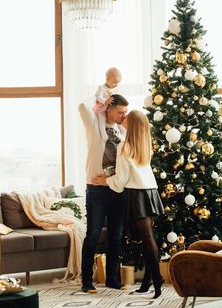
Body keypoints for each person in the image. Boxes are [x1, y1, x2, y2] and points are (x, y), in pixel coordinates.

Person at [92, 110, 165, 299]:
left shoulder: (125, 145)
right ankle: (149, 279)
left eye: (126, 117)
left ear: (131, 124)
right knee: (149, 238)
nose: (123, 119)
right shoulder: (144, 144)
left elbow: (122, 179)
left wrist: (105, 181)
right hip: (150, 191)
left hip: (137, 194)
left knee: (147, 238)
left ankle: (156, 280)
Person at [79, 94, 129, 294]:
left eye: (125, 112)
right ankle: (86, 281)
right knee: (92, 235)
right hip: (97, 190)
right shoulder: (94, 126)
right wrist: (100, 103)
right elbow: (82, 105)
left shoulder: (122, 131)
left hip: (116, 188)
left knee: (116, 235)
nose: (123, 115)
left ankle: (112, 279)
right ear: (109, 109)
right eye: (120, 112)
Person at [93, 67, 122, 141]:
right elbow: (97, 97)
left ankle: (121, 128)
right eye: (115, 82)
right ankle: (103, 133)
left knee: (119, 114)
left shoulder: (115, 87)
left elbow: (117, 95)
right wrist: (105, 101)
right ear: (107, 80)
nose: (116, 84)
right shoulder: (101, 88)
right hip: (102, 106)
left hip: (111, 107)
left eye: (118, 82)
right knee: (102, 117)